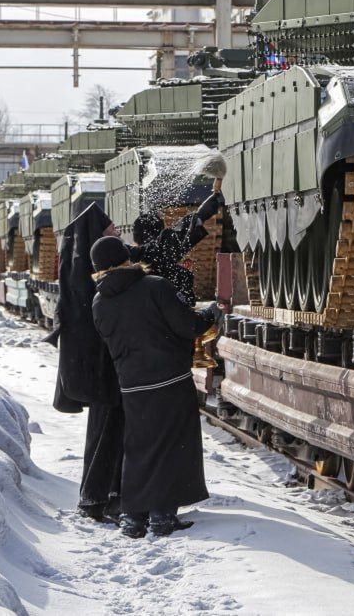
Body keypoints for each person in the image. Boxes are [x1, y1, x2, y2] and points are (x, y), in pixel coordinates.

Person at [89, 235, 221, 538]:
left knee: (138, 448)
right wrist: (210, 315)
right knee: (174, 445)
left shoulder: (99, 302)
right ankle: (162, 514)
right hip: (170, 379)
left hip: (133, 386)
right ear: (125, 258)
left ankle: (133, 516)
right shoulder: (154, 286)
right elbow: (187, 326)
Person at [43, 203, 123, 522]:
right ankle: (95, 499)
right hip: (102, 368)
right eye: (109, 229)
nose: (116, 231)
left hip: (100, 367)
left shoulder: (78, 272)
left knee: (104, 431)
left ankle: (100, 497)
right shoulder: (89, 280)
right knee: (107, 431)